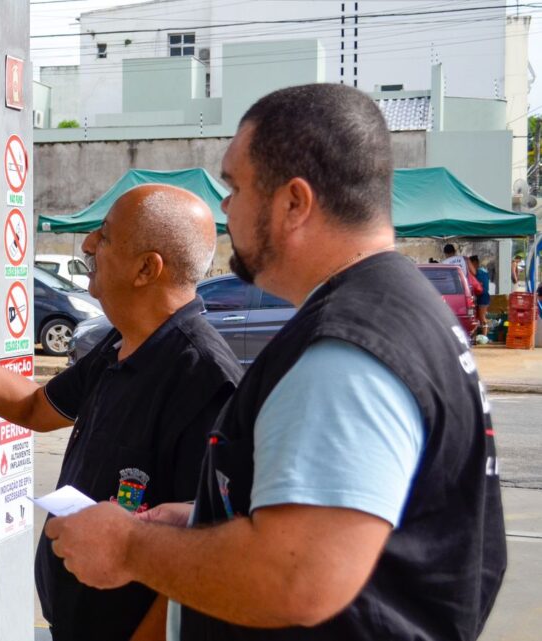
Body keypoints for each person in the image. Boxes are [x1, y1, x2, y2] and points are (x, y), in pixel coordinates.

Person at [45, 83, 506, 641]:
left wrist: (128, 547)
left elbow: (298, 575)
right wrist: (202, 522)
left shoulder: (347, 349)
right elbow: (361, 527)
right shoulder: (398, 309)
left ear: (293, 203)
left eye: (236, 187)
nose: (225, 209)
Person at [0, 184, 242, 641]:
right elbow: (33, 407)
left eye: (105, 237)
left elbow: (202, 556)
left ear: (147, 269)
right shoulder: (122, 343)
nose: (89, 244)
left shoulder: (204, 380)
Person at [470, 255, 491, 337]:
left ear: (475, 263)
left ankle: (484, 336)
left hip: (483, 297)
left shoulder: (482, 273)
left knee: (482, 317)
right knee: (474, 317)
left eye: (471, 264)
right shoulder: (470, 274)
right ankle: (474, 337)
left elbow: (482, 287)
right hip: (474, 298)